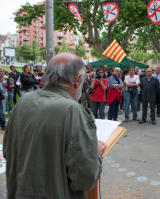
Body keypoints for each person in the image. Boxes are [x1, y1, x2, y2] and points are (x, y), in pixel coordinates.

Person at [3, 52, 106, 198]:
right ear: (77, 79)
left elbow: (8, 152)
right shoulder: (73, 111)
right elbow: (85, 180)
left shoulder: (24, 101)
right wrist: (96, 154)